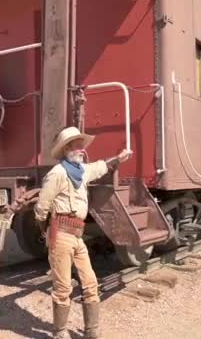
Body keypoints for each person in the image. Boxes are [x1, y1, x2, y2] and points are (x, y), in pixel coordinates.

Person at [34, 127, 131, 339]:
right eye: (76, 145)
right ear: (66, 149)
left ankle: (91, 333)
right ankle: (60, 333)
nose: (81, 149)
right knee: (63, 288)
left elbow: (100, 167)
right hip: (60, 234)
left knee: (90, 283)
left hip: (77, 235)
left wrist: (119, 158)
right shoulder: (57, 173)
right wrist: (46, 230)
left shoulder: (81, 171)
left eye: (81, 145)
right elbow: (42, 207)